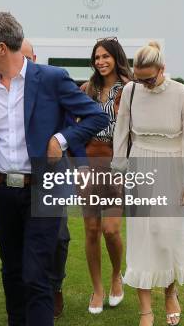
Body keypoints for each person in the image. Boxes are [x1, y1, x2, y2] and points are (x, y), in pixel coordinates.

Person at [0, 12, 109, 326]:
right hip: (2, 191)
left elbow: (98, 117)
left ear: (2, 47)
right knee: (12, 271)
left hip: (44, 190)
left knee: (36, 274)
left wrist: (61, 138)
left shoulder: (51, 77)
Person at [111, 41, 184, 326]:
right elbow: (122, 132)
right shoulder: (131, 91)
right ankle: (145, 309)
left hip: (173, 168)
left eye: (149, 78)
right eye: (138, 78)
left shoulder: (183, 94)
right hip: (141, 163)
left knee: (168, 236)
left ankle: (170, 292)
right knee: (142, 236)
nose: (144, 84)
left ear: (163, 69)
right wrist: (119, 170)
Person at [79, 37, 132, 314]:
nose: (100, 61)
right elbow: (75, 128)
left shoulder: (132, 89)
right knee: (91, 230)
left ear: (116, 57)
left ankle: (116, 275)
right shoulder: (86, 90)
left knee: (111, 230)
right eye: (96, 57)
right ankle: (97, 288)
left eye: (105, 56)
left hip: (118, 163)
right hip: (89, 162)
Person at [20, 39, 69, 319]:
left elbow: (76, 122)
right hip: (19, 179)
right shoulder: (6, 89)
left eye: (27, 59)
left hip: (52, 173)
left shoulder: (53, 84)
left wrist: (61, 141)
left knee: (59, 237)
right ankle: (28, 293)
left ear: (34, 57)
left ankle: (55, 286)